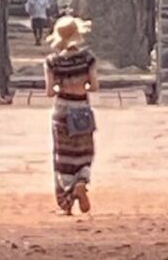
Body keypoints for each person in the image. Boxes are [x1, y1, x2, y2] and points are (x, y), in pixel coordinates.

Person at [44, 15, 99, 215]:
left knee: (63, 154)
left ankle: (66, 200)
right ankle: (81, 182)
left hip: (62, 109)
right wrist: (80, 83)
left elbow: (49, 92)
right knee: (84, 151)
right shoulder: (87, 58)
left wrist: (62, 84)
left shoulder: (52, 61)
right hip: (81, 107)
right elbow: (94, 86)